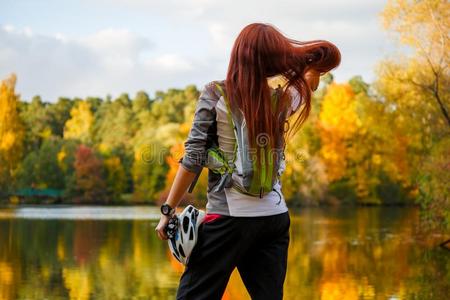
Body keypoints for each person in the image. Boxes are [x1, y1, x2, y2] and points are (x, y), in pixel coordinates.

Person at [155, 22, 341, 300]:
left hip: (229, 220)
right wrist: (310, 69)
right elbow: (310, 83)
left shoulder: (216, 94)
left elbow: (193, 157)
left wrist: (168, 210)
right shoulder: (285, 98)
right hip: (274, 220)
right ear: (273, 59)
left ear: (238, 55)